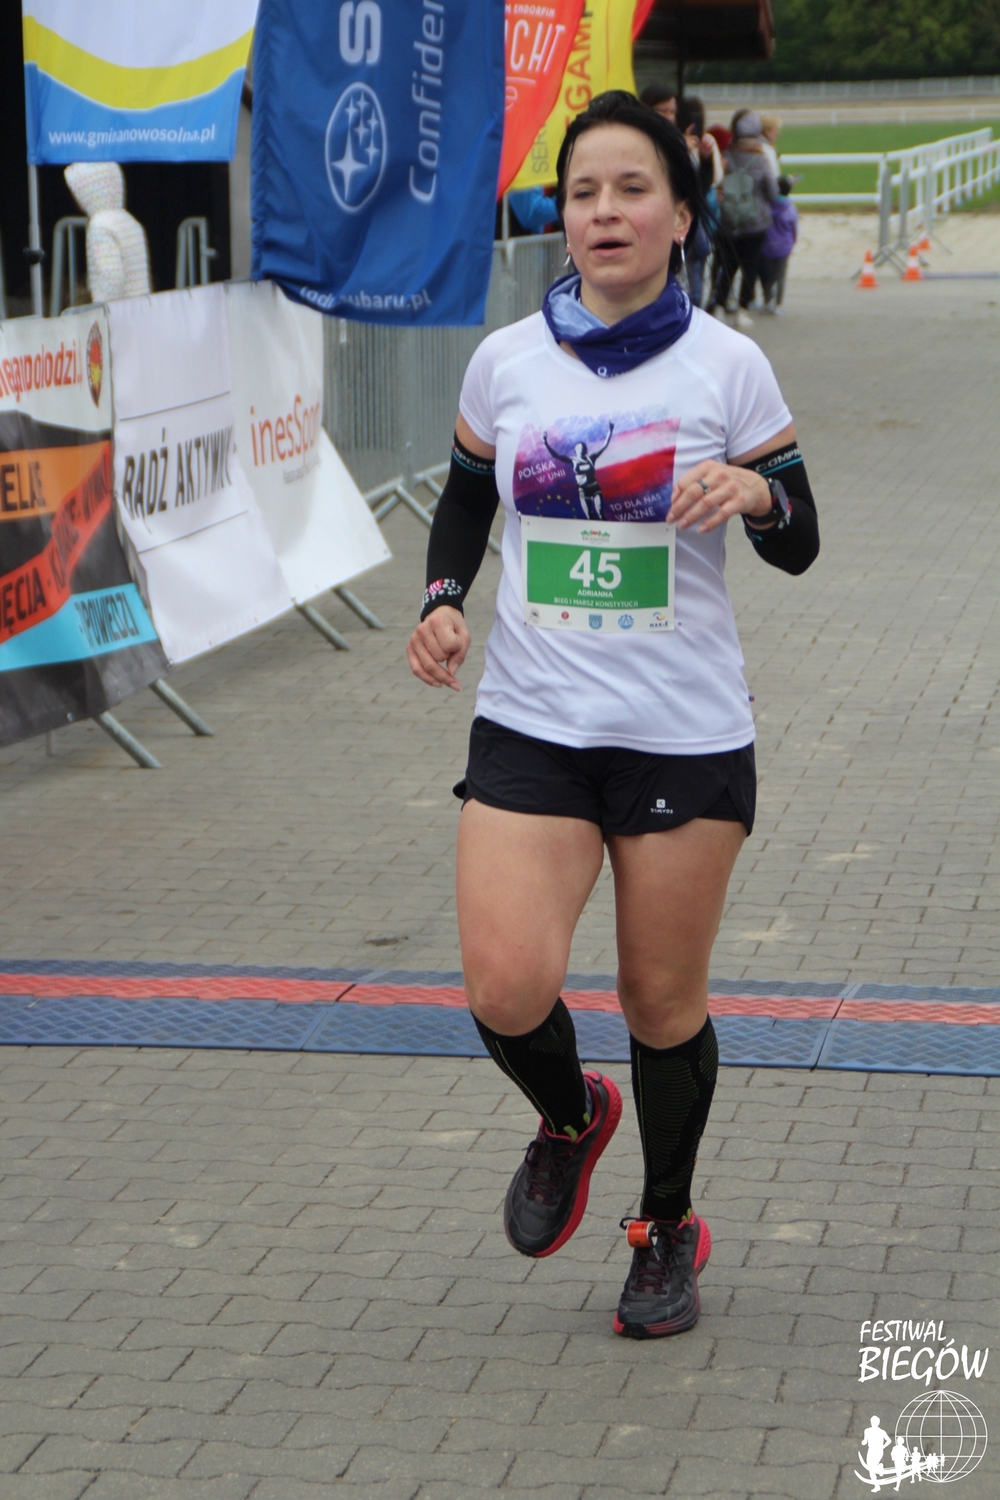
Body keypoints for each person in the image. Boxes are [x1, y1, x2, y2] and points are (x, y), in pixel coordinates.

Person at [406, 89, 819, 1340]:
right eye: (583, 191)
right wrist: (441, 600)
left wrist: (754, 491)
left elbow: (800, 536)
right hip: (533, 720)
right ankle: (571, 1115)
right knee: (504, 983)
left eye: (632, 189)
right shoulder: (506, 360)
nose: (603, 212)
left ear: (680, 214)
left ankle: (664, 1224)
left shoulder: (727, 366)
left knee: (658, 1001)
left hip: (681, 732)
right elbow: (466, 499)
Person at [711, 110, 777, 329]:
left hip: (728, 219)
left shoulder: (726, 156)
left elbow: (717, 182)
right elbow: (772, 192)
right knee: (750, 267)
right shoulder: (761, 160)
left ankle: (719, 306)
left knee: (727, 265)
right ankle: (742, 310)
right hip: (755, 221)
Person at [676, 95, 723, 307]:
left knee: (689, 269)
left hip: (692, 219)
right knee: (693, 270)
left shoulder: (699, 141)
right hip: (695, 218)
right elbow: (716, 178)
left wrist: (704, 159)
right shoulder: (679, 142)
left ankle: (692, 309)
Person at [759, 176, 798, 314]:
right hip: (783, 246)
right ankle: (778, 304)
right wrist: (793, 241)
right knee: (780, 276)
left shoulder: (768, 205)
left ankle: (767, 300)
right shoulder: (790, 208)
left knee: (769, 276)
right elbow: (794, 228)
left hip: (768, 245)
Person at [760, 112, 782, 178]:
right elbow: (773, 177)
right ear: (767, 131)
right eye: (775, 130)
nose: (777, 133)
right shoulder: (768, 150)